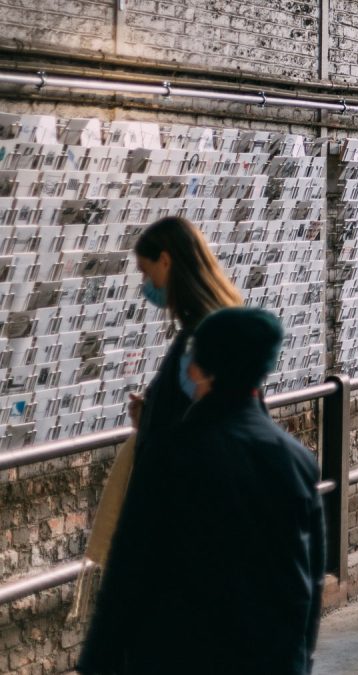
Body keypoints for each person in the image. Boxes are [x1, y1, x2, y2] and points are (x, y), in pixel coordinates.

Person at [80, 308, 327, 674]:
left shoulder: (171, 456)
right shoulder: (297, 461)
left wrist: (99, 661)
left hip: (180, 656)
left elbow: (130, 568)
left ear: (198, 367)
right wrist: (300, 660)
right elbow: (310, 577)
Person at [79, 216, 243, 673]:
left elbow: (210, 428)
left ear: (167, 261)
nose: (144, 284)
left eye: (145, 271)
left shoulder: (201, 340)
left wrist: (153, 420)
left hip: (179, 539)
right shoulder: (214, 329)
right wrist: (151, 414)